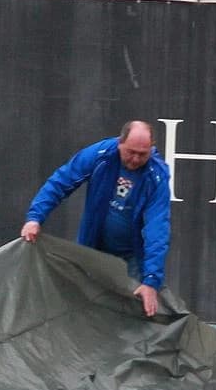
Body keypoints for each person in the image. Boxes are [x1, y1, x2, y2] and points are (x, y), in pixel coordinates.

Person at [21, 121, 171, 317]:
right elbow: (60, 182)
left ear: (151, 148)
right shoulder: (101, 155)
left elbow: (157, 229)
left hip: (133, 258)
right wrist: (34, 218)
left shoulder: (157, 176)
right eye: (130, 152)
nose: (135, 159)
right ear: (120, 143)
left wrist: (151, 281)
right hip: (92, 247)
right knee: (81, 308)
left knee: (132, 313)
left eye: (142, 154)